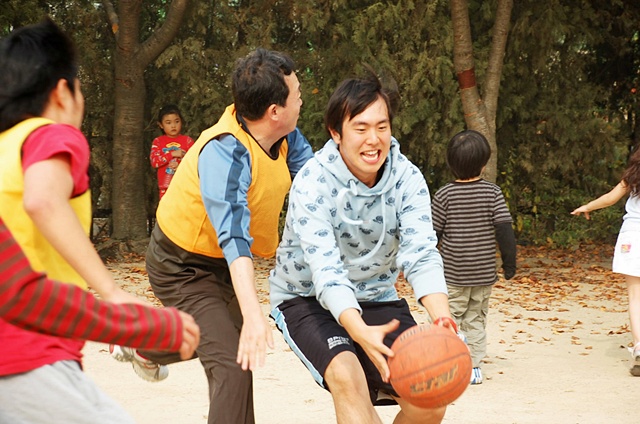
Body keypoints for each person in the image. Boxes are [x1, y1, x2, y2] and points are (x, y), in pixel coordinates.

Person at [0, 18, 199, 424]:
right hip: (30, 354)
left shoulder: (5, 147)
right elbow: (42, 200)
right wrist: (112, 291)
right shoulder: (54, 135)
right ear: (62, 92)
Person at [111, 48, 313, 424]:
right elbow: (233, 237)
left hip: (221, 263)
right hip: (181, 266)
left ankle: (145, 344)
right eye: (297, 94)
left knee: (230, 353)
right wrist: (252, 314)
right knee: (233, 361)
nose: (301, 100)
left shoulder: (287, 136)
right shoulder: (225, 153)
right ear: (275, 110)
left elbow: (315, 184)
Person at [269, 72, 455, 424]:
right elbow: (326, 271)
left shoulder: (407, 179)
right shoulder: (312, 182)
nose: (374, 139)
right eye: (361, 128)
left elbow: (421, 253)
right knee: (347, 377)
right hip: (306, 298)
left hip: (376, 295)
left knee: (429, 399)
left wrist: (441, 315)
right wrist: (357, 331)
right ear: (336, 133)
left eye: (382, 127)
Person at [431, 129, 517, 385]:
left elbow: (432, 234)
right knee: (476, 319)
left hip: (452, 274)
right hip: (483, 274)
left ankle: (447, 362)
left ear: (450, 163)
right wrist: (510, 264)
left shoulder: (444, 195)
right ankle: (473, 366)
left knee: (449, 317)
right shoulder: (492, 193)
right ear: (483, 164)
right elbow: (504, 230)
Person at [571, 146, 640, 376]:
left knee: (635, 296)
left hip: (632, 236)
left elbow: (611, 198)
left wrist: (588, 206)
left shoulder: (633, 175)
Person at [149, 104, 194, 199]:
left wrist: (180, 165)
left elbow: (194, 163)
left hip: (185, 187)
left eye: (177, 121)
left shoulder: (187, 141)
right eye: (168, 123)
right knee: (166, 208)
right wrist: (172, 154)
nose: (173, 126)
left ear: (181, 121)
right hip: (165, 188)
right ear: (161, 125)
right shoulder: (158, 141)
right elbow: (154, 162)